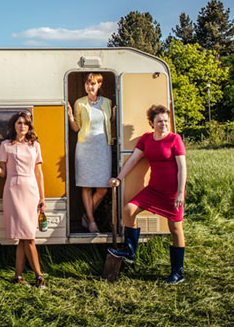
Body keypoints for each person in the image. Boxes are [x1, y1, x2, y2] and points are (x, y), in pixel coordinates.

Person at [107, 104, 187, 285]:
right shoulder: (146, 139)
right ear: (151, 123)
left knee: (175, 230)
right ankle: (130, 251)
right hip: (153, 190)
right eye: (159, 121)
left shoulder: (175, 139)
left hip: (172, 193)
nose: (163, 124)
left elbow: (182, 167)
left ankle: (177, 273)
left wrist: (180, 192)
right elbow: (134, 160)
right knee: (128, 209)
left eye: (166, 121)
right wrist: (118, 178)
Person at [0, 111, 46, 288]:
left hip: (31, 190)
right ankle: (38, 277)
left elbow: (39, 173)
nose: (22, 126)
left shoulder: (35, 145)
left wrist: (42, 198)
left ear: (29, 126)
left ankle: (20, 276)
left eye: (25, 123)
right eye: (19, 123)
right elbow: (3, 173)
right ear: (14, 126)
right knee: (25, 237)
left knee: (27, 236)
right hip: (13, 189)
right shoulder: (6, 145)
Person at [67, 73, 116, 233]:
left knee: (102, 188)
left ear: (99, 85)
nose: (90, 87)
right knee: (86, 186)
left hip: (103, 148)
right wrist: (70, 117)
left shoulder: (107, 103)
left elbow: (109, 123)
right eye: (88, 83)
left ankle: (86, 216)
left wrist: (114, 115)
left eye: (93, 84)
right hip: (85, 147)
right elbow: (76, 128)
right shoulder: (79, 103)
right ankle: (92, 221)